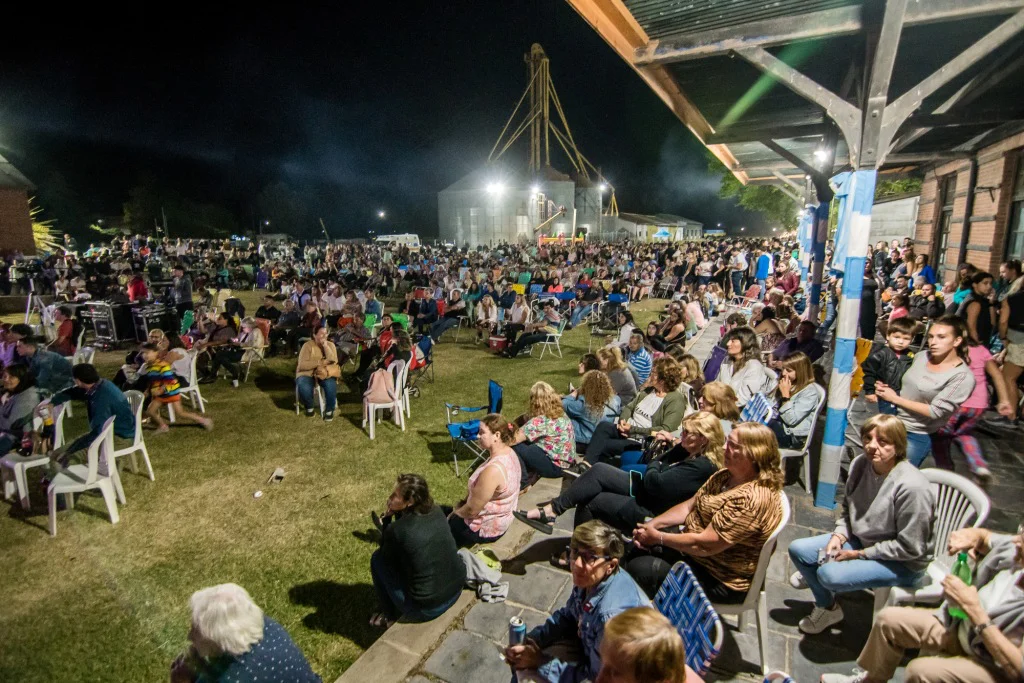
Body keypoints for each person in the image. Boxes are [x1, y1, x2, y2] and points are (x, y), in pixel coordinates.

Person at [822, 525, 1024, 683]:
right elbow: (986, 537)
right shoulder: (1015, 549)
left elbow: (1018, 670)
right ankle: (871, 681)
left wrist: (975, 612)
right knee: (888, 621)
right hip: (961, 627)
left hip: (993, 663)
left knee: (921, 672)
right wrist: (973, 535)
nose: (1017, 541)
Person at [788, 415, 933, 634]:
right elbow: (849, 509)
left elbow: (911, 548)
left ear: (898, 445)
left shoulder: (912, 487)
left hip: (902, 562)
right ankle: (828, 607)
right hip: (863, 540)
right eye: (868, 438)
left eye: (883, 442)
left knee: (828, 575)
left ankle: (824, 582)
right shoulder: (860, 464)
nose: (872, 446)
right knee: (798, 550)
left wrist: (859, 555)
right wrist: (839, 536)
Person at [625, 422, 784, 599]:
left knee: (639, 568)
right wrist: (651, 526)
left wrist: (658, 537)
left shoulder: (751, 499)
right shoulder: (725, 475)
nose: (724, 447)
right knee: (633, 546)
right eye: (726, 441)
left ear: (754, 454)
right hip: (694, 550)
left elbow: (704, 545)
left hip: (719, 576)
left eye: (732, 445)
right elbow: (689, 506)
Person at [516, 411, 722, 540]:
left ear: (704, 439)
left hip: (655, 507)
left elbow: (655, 479)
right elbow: (657, 471)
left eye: (688, 433)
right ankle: (553, 511)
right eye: (683, 431)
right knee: (597, 471)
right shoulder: (691, 451)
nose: (681, 436)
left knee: (591, 500)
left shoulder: (702, 466)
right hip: (649, 491)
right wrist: (667, 456)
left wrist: (657, 463)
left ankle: (577, 550)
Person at [504, 521, 650, 683]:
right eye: (574, 553)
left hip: (612, 675)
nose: (577, 564)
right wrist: (533, 639)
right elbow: (569, 615)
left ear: (611, 565)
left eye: (590, 558)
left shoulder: (609, 619)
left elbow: (596, 679)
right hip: (589, 651)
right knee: (522, 663)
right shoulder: (592, 579)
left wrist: (539, 661)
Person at [874, 315, 975, 467]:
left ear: (957, 341)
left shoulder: (961, 376)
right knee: (875, 471)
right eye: (931, 337)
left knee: (897, 478)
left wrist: (895, 399)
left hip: (915, 434)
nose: (933, 342)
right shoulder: (921, 356)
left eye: (941, 337)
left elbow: (935, 411)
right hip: (890, 423)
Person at [169, 583, 321, 683]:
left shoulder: (232, 678)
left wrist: (182, 679)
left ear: (218, 640)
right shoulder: (268, 627)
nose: (189, 636)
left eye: (197, 632)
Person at [368, 474, 466, 628]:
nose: (390, 498)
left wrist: (387, 520)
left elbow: (386, 556)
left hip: (428, 608)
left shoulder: (399, 530)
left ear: (410, 502)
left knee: (377, 559)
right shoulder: (437, 511)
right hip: (457, 589)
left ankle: (388, 614)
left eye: (395, 495)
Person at [931, 335, 1014, 483]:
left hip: (955, 403)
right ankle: (978, 465)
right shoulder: (981, 349)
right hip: (977, 405)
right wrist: (1004, 400)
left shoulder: (949, 349)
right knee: (964, 434)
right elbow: (996, 375)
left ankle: (945, 470)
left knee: (940, 437)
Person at [585, 358, 687, 465]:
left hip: (642, 440)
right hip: (628, 430)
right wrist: (623, 421)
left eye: (653, 373)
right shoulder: (649, 391)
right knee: (604, 426)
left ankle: (590, 467)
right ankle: (586, 464)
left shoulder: (675, 400)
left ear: (662, 379)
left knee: (604, 444)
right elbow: (629, 407)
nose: (650, 375)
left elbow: (665, 429)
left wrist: (632, 430)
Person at [442, 413, 520, 547]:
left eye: (482, 433)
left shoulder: (493, 470)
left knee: (438, 523)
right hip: (502, 519)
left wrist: (454, 514)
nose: (477, 436)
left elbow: (472, 510)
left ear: (496, 436)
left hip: (484, 528)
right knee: (441, 510)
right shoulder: (509, 452)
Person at [47, 364, 135, 461]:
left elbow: (99, 431)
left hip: (118, 437)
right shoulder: (98, 386)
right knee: (57, 453)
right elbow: (73, 392)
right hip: (109, 432)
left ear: (78, 381)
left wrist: (74, 450)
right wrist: (53, 402)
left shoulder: (101, 398)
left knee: (65, 460)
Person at [595, 607, 702, 683]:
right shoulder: (666, 664)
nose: (599, 680)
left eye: (615, 672)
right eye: (602, 660)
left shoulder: (660, 668)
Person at [512, 382, 577, 489]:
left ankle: (523, 481)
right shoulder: (560, 413)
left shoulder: (539, 421)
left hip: (556, 468)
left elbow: (513, 439)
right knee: (530, 446)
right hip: (568, 462)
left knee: (516, 446)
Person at [139, 343, 213, 432]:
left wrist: (160, 390)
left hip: (171, 392)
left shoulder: (163, 365)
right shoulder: (149, 366)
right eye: (143, 353)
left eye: (148, 353)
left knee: (180, 413)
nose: (145, 355)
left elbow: (169, 380)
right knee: (150, 411)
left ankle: (204, 420)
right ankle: (163, 426)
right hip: (161, 394)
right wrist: (148, 390)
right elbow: (152, 380)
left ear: (156, 353)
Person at [862, 316, 917, 416]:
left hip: (901, 395)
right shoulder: (879, 354)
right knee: (884, 418)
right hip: (883, 394)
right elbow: (869, 372)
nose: (901, 342)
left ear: (912, 340)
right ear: (888, 336)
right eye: (897, 337)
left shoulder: (911, 355)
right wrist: (870, 391)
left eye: (906, 339)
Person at [767, 352, 822, 449]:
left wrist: (785, 396)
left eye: (788, 371)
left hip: (792, 435)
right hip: (777, 422)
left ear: (800, 371)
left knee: (754, 435)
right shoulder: (785, 381)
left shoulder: (810, 392)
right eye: (783, 369)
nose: (784, 373)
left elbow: (791, 420)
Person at [717, 327, 777, 408]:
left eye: (733, 341)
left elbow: (742, 400)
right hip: (720, 404)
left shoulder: (754, 367)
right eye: (729, 340)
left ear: (745, 343)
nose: (728, 344)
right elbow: (717, 384)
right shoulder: (727, 360)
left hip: (736, 410)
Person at [563, 370, 621, 451]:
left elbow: (563, 404)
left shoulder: (583, 405)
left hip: (584, 443)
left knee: (565, 415)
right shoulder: (616, 400)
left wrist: (575, 393)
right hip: (604, 441)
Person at [295, 325, 339, 422]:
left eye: (325, 333)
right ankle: (309, 407)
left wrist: (325, 346)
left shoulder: (330, 345)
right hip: (307, 373)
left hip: (324, 372)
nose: (324, 335)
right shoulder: (307, 346)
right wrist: (318, 363)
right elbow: (302, 365)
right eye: (321, 333)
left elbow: (333, 361)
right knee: (303, 384)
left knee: (331, 384)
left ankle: (329, 410)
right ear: (314, 335)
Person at [0, 365, 41, 456]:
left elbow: (11, 424)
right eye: (4, 376)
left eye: (11, 377)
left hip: (17, 439)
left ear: (22, 379)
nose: (6, 379)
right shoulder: (18, 393)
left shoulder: (28, 397)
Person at [959, 271, 996, 346]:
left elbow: (992, 323)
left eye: (991, 283)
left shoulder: (984, 301)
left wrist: (991, 303)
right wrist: (977, 345)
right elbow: (971, 327)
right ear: (975, 285)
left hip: (983, 339)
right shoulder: (975, 302)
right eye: (985, 283)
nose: (989, 286)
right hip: (972, 344)